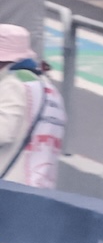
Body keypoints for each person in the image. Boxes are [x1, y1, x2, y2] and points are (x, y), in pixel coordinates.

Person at [0, 24, 66, 190]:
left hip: (8, 188)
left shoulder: (12, 85)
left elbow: (3, 132)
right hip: (38, 187)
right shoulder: (47, 88)